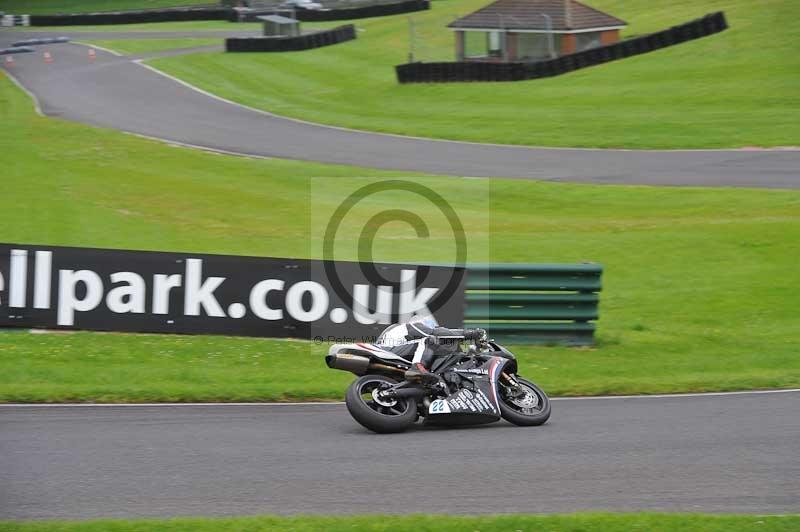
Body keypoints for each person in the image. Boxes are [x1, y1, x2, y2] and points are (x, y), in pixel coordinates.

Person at [376, 316, 487, 384]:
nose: (433, 328)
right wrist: (470, 334)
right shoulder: (411, 325)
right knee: (429, 340)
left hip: (396, 355)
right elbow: (437, 334)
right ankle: (417, 367)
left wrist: (468, 348)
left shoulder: (407, 338)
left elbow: (447, 340)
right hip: (389, 351)